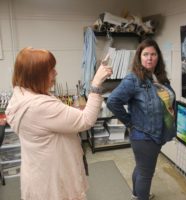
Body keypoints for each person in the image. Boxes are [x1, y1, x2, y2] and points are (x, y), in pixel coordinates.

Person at [5, 47, 112, 200]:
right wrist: (95, 84)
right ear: (36, 75)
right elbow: (86, 120)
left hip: (38, 173)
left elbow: (48, 121)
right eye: (50, 70)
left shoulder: (20, 95)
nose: (56, 73)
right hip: (52, 181)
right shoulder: (39, 106)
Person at [107, 38, 176, 200]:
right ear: (139, 57)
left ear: (158, 56)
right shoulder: (133, 79)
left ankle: (136, 195)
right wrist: (129, 122)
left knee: (141, 168)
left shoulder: (160, 78)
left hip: (158, 132)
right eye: (145, 54)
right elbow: (112, 101)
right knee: (146, 173)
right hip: (145, 135)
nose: (149, 58)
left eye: (153, 54)